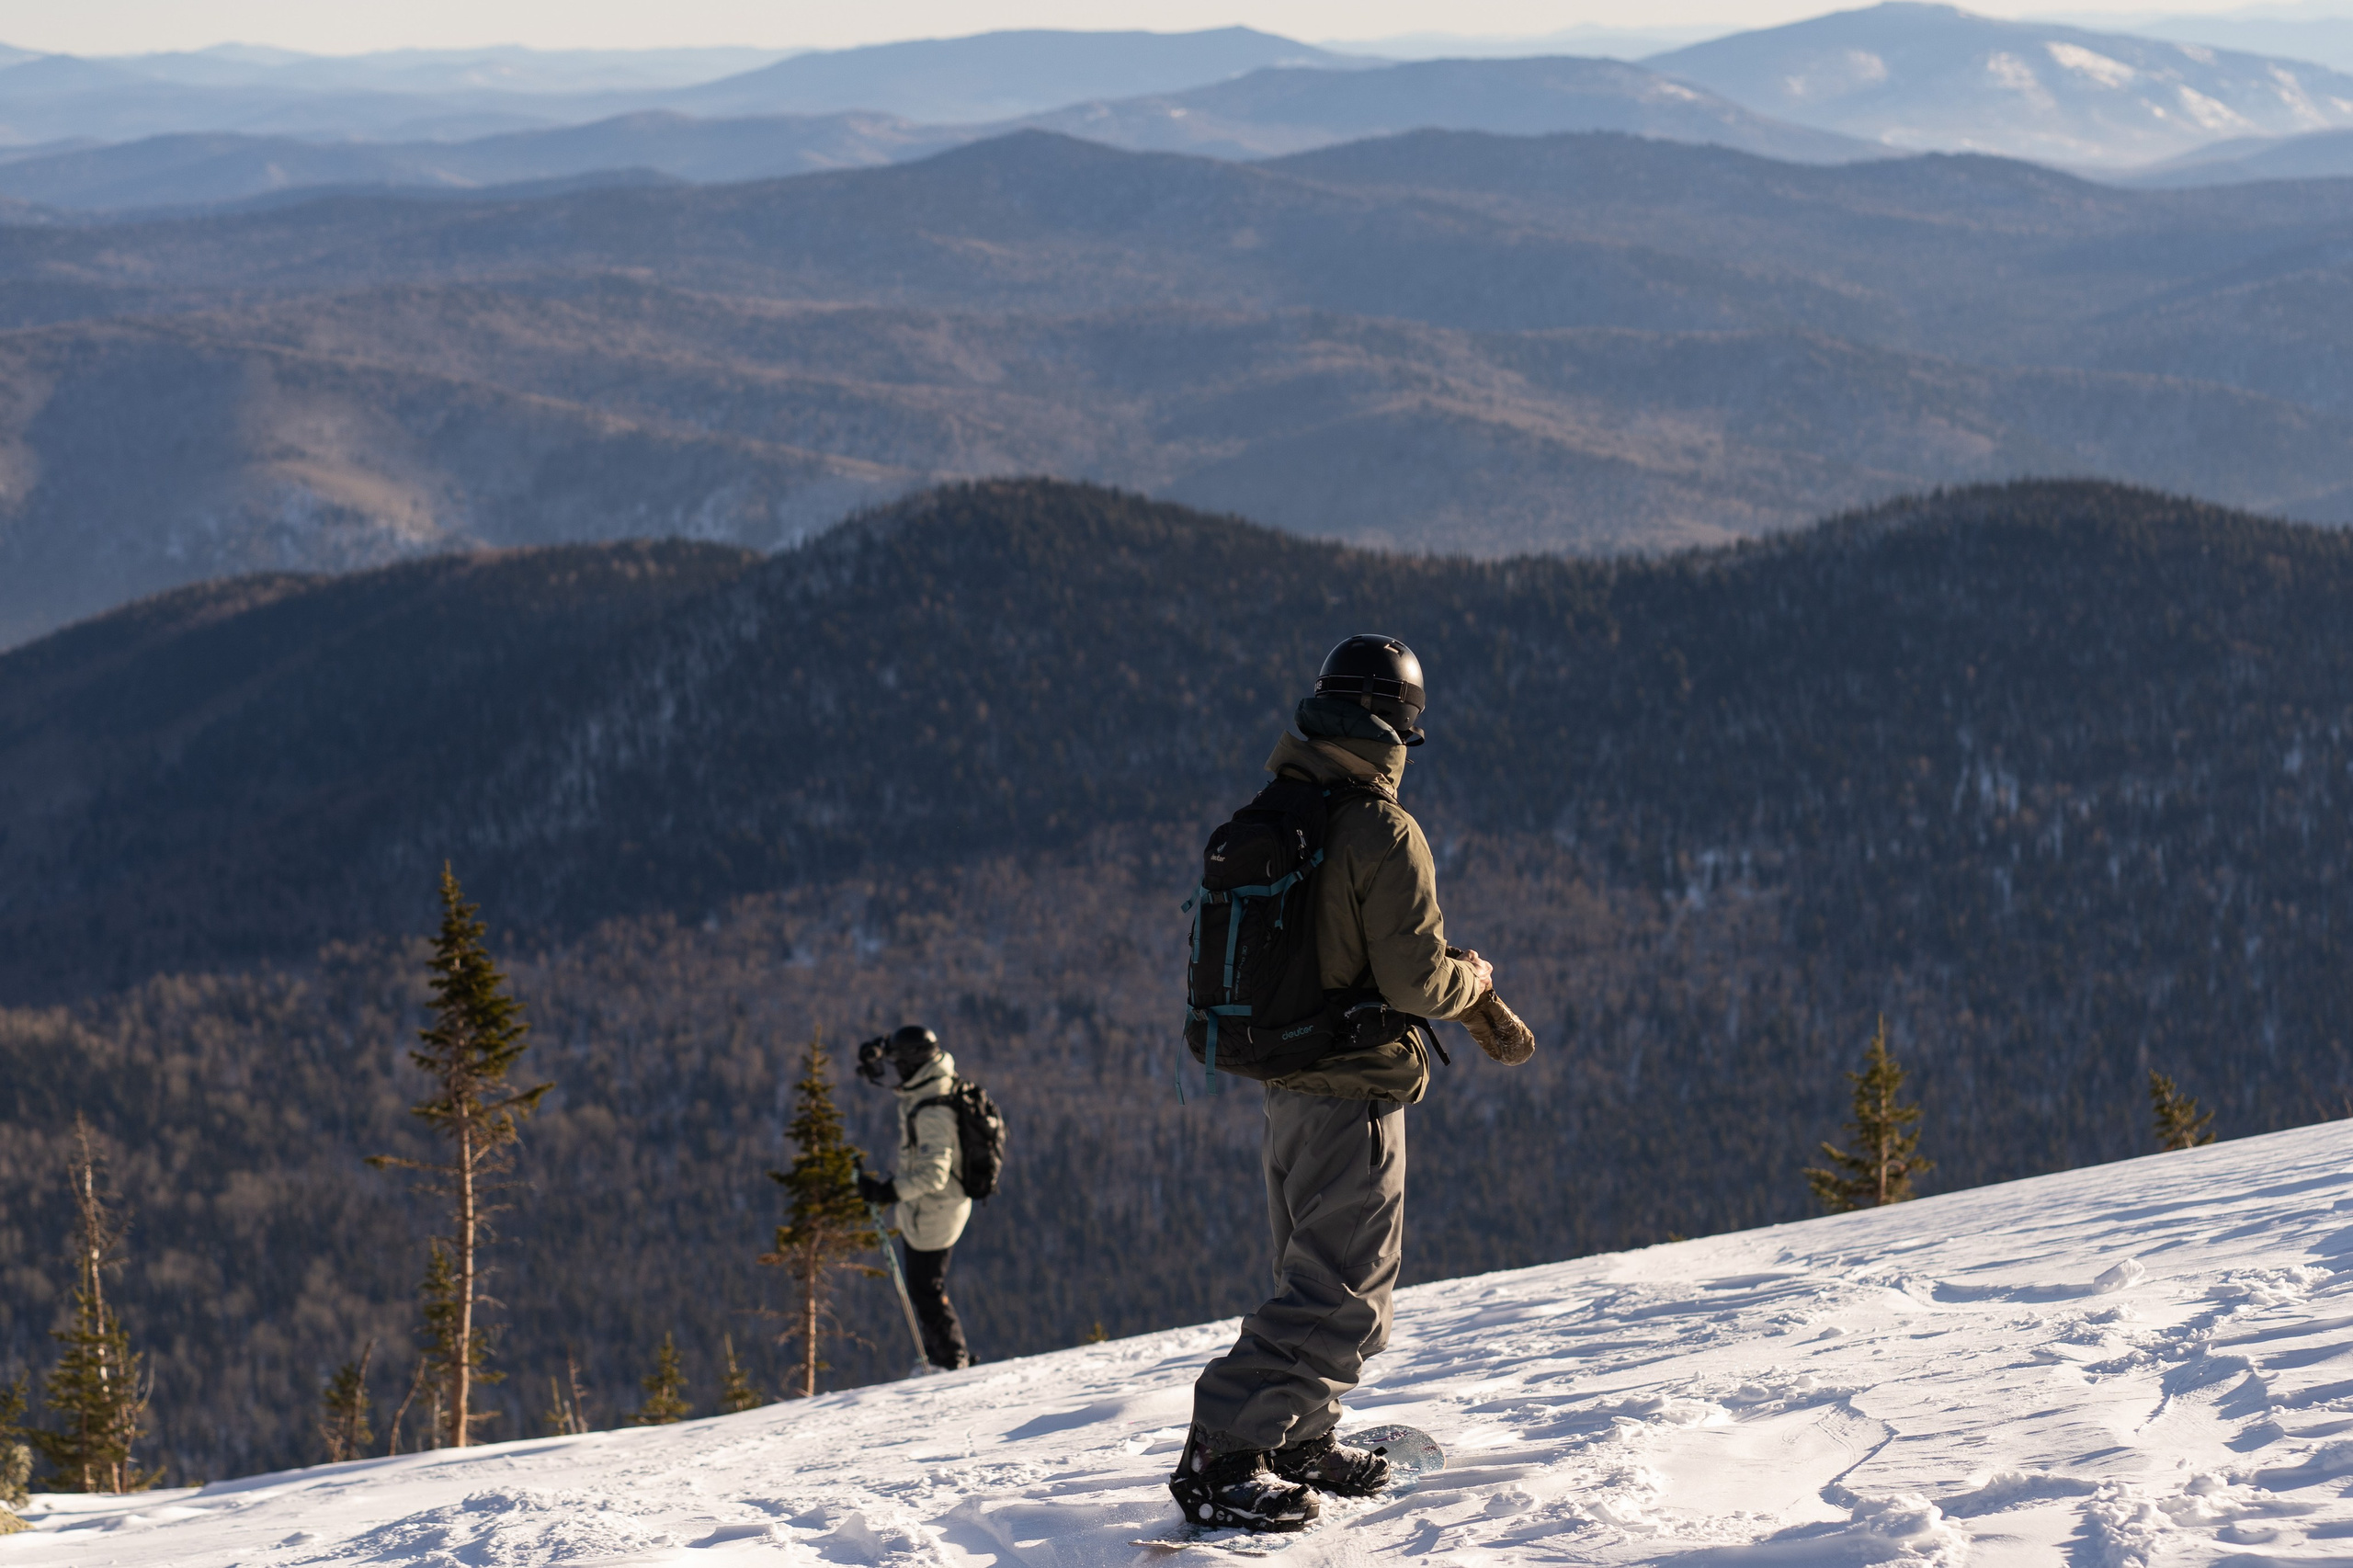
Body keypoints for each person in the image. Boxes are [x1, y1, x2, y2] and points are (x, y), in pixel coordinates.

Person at [1169, 634, 1497, 1532]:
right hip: (1353, 1089)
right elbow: (1417, 982)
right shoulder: (1379, 829)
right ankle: (1224, 1449)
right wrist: (1474, 978)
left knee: (1308, 1270)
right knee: (1343, 1296)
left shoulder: (1283, 804)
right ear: (1400, 726)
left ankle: (1299, 1434)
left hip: (1287, 1082)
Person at [854, 1025, 973, 1372]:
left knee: (926, 1291)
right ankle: (946, 1357)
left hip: (935, 1213)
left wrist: (888, 1192)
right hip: (933, 1208)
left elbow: (934, 1173)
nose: (895, 1070)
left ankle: (950, 1361)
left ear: (912, 1064)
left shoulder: (933, 1109)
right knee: (927, 1288)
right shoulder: (932, 1088)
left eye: (898, 1063)